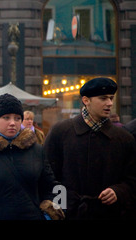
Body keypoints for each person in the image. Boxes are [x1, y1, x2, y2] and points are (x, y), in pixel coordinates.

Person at [0, 94, 64, 220]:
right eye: (6, 117)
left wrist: (48, 214)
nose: (12, 123)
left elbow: (51, 187)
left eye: (17, 118)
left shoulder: (36, 151)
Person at [44, 77, 136, 219]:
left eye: (111, 98)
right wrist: (65, 204)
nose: (109, 103)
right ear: (86, 100)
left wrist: (118, 191)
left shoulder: (124, 138)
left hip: (111, 214)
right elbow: (48, 177)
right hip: (70, 214)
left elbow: (132, 179)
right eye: (103, 98)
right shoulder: (61, 132)